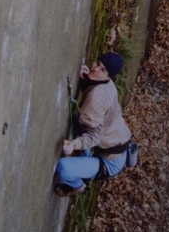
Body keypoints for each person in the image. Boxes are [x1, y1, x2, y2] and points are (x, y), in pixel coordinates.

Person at [54, 52, 131, 197]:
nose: (95, 69)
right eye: (97, 64)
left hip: (110, 163)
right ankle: (86, 156)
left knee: (63, 168)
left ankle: (79, 187)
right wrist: (86, 81)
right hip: (115, 145)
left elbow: (94, 135)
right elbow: (95, 100)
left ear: (109, 77)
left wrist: (74, 144)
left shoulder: (98, 96)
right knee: (78, 119)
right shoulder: (108, 84)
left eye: (103, 70)